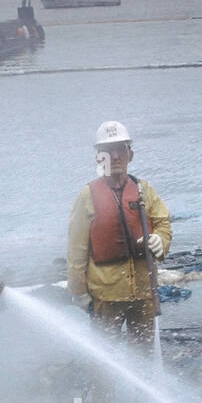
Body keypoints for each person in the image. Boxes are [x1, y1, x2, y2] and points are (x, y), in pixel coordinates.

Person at [67, 121, 172, 347]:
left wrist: (160, 241)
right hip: (106, 296)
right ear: (98, 157)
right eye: (107, 151)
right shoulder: (87, 196)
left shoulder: (145, 190)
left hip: (144, 292)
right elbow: (76, 250)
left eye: (120, 150)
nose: (114, 157)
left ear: (130, 154)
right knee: (106, 357)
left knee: (143, 354)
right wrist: (79, 292)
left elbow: (163, 223)